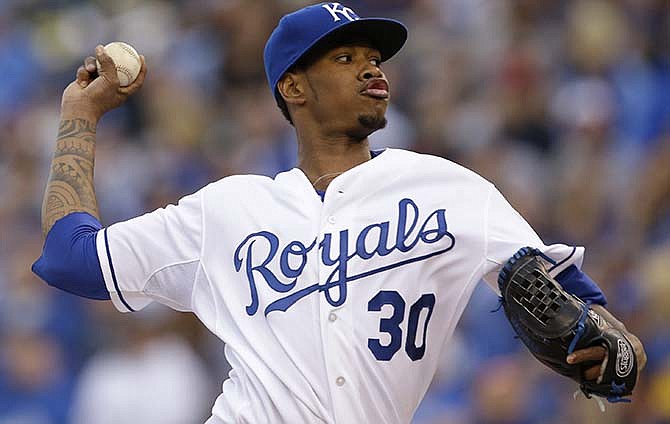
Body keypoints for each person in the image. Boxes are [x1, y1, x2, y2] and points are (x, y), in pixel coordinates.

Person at [33, 3, 646, 423]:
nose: (373, 67)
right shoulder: (227, 210)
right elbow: (71, 258)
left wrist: (611, 358)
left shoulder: (450, 190)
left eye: (373, 57)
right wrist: (80, 117)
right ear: (293, 88)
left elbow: (600, 329)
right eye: (345, 58)